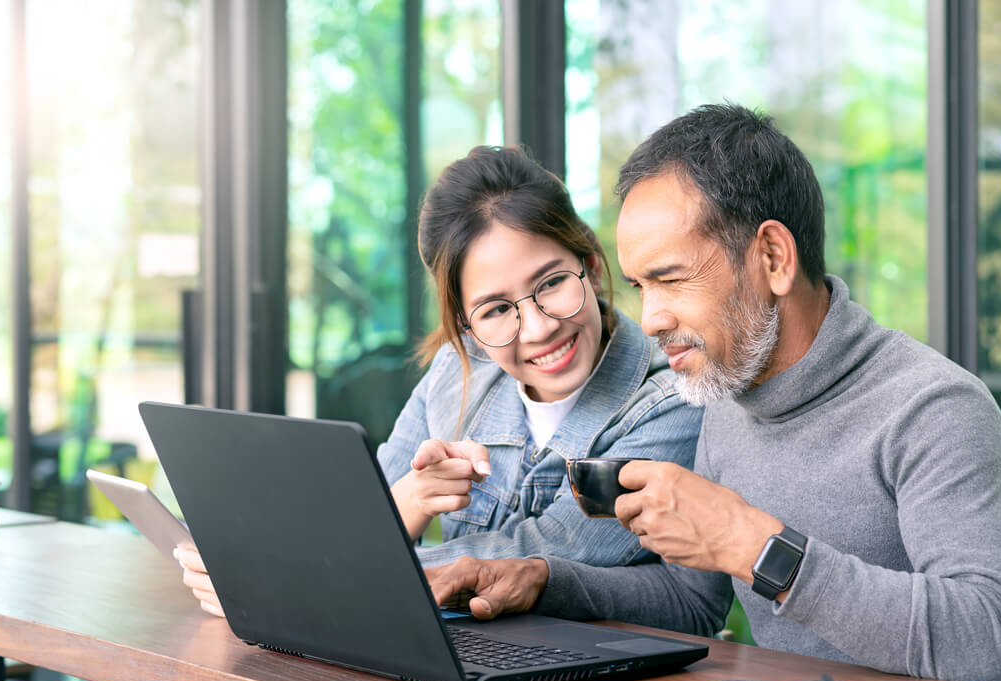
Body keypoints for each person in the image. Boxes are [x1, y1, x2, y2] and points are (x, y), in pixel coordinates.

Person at [424, 105, 1001, 681]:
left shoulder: (935, 408)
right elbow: (691, 602)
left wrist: (754, 545)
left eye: (670, 278)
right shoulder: (726, 400)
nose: (651, 319)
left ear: (772, 257)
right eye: (639, 286)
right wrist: (543, 578)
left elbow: (987, 650)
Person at [175, 145, 704, 616]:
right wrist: (407, 502)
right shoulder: (460, 368)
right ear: (466, 324)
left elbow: (554, 544)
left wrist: (296, 577)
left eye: (552, 284)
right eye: (496, 310)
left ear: (589, 265)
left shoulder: (671, 400)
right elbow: (365, 508)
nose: (539, 328)